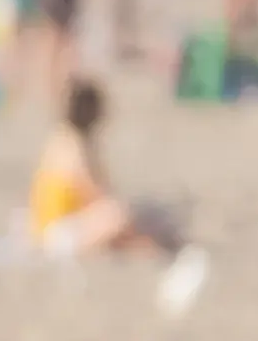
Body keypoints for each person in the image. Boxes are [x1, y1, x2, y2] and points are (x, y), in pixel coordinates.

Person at [23, 76, 178, 258]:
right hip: (56, 234)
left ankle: (147, 245)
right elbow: (95, 195)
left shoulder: (67, 140)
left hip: (56, 228)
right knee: (117, 214)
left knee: (121, 216)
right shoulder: (71, 148)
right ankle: (150, 245)